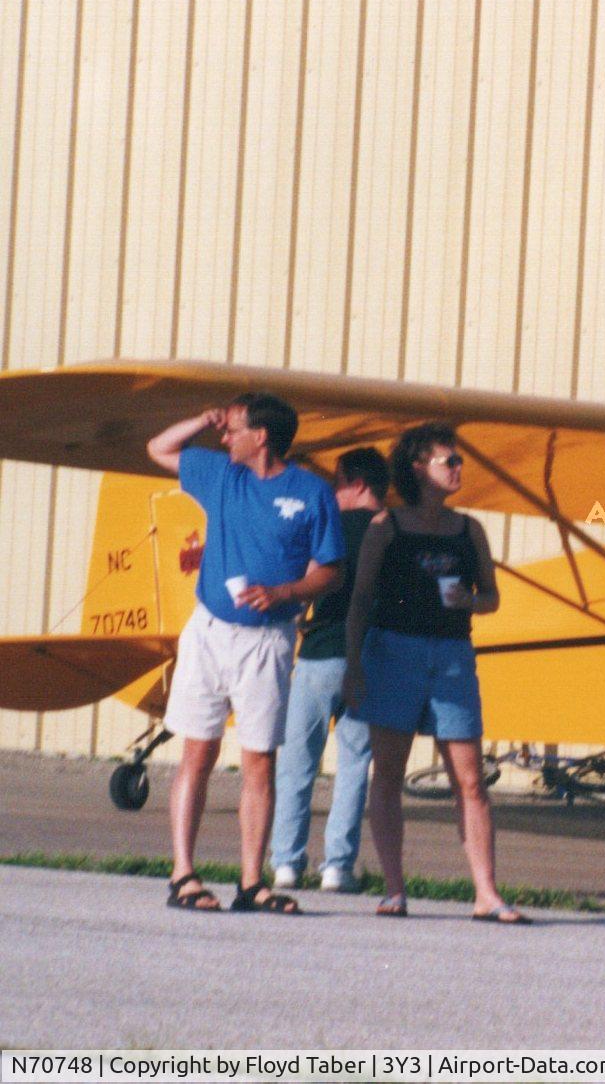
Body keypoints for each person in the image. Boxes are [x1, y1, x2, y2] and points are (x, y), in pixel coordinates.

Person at [147, 394, 344, 913]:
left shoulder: (311, 493)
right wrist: (201, 416)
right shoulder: (219, 475)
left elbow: (330, 569)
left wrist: (284, 594)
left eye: (232, 429)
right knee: (198, 750)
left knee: (259, 761)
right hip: (209, 633)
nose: (223, 437)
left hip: (269, 640)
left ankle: (252, 883)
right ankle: (183, 875)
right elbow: (159, 447)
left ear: (263, 436)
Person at [343, 422, 528, 923]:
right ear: (419, 467)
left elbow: (491, 597)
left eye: (459, 461)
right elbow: (360, 599)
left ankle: (487, 894)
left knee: (471, 781)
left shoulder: (470, 530)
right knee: (389, 773)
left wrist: (471, 600)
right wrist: (353, 664)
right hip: (393, 652)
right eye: (451, 461)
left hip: (451, 656)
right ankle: (394, 888)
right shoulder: (387, 527)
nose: (459, 469)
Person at [270, 447, 389, 893]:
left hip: (320, 652)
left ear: (358, 485)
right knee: (355, 762)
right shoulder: (394, 531)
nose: (333, 492)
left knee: (299, 762)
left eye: (338, 482)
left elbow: (305, 580)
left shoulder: (329, 525)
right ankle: (338, 867)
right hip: (372, 658)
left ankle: (286, 862)